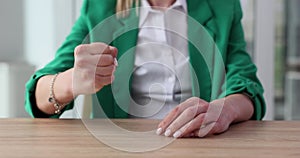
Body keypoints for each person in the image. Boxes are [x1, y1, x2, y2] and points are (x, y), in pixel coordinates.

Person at [25, 0, 266, 138]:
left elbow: (246, 83)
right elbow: (38, 96)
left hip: (198, 144)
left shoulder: (222, 7)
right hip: (122, 146)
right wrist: (72, 81)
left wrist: (225, 109)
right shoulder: (100, 6)